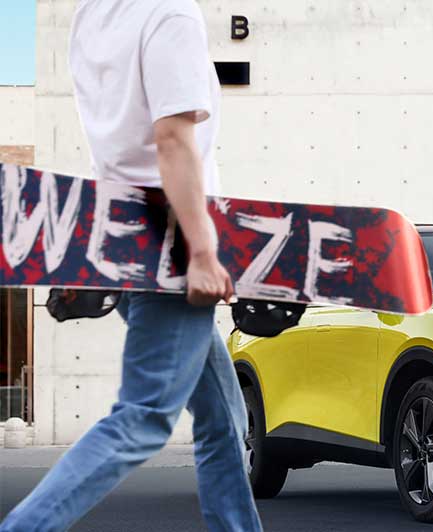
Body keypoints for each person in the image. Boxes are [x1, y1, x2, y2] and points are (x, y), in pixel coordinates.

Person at [0, 1, 263, 531]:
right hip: (172, 247)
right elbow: (171, 139)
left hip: (126, 242)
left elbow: (118, 140)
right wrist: (201, 252)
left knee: (222, 419)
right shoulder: (171, 14)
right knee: (144, 418)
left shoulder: (93, 14)